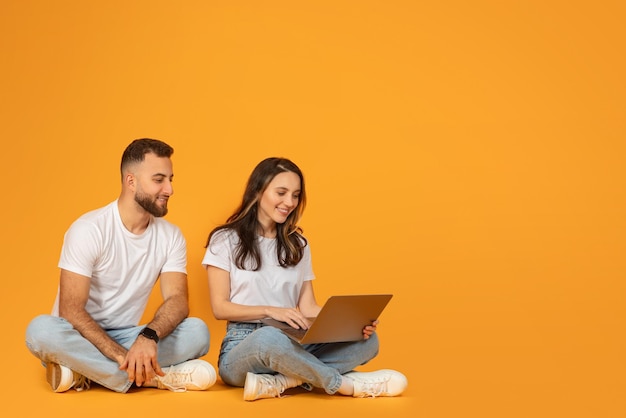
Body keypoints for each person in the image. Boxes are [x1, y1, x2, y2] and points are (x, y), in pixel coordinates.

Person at [202, 157, 408, 401]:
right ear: (258, 191)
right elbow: (220, 307)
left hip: (294, 342)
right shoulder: (225, 240)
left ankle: (286, 380)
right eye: (281, 192)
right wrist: (271, 311)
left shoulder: (297, 244)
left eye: (296, 195)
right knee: (270, 337)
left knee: (368, 342)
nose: (289, 202)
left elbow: (308, 307)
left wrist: (351, 325)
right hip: (243, 347)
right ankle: (341, 384)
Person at [25, 138, 216, 393]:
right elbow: (70, 310)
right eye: (159, 180)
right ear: (131, 181)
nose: (169, 189)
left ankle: (86, 372)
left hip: (130, 336)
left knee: (198, 332)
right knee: (40, 331)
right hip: (77, 336)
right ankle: (151, 377)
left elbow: (178, 300)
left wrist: (147, 338)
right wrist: (119, 354)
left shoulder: (171, 236)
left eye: (170, 179)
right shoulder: (88, 230)